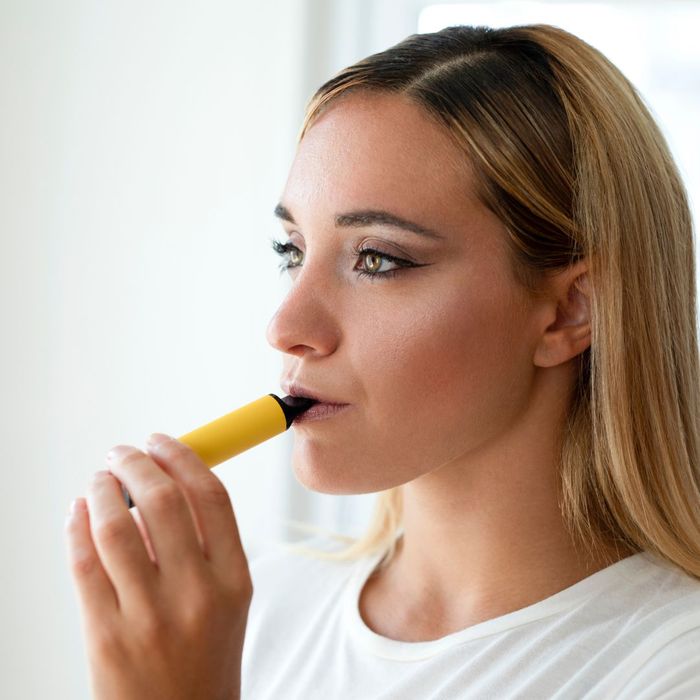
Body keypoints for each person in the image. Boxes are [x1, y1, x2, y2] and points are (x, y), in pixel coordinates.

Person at [65, 23, 700, 700]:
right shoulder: (250, 615)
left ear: (571, 310)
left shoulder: (669, 667)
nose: (286, 327)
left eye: (377, 259)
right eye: (292, 252)